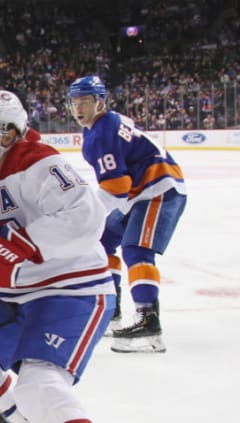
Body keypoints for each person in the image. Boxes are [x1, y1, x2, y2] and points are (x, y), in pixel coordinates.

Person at [0, 90, 115, 422]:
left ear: (8, 135)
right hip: (18, 299)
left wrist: (22, 242)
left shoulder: (38, 162)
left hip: (72, 292)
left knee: (39, 383)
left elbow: (86, 216)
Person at [67, 76, 187, 353]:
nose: (78, 108)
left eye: (84, 101)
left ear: (100, 101)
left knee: (136, 249)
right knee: (102, 240)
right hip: (139, 192)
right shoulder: (98, 127)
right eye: (74, 102)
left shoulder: (102, 132)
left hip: (159, 188)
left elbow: (116, 188)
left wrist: (85, 217)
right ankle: (111, 311)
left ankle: (149, 322)